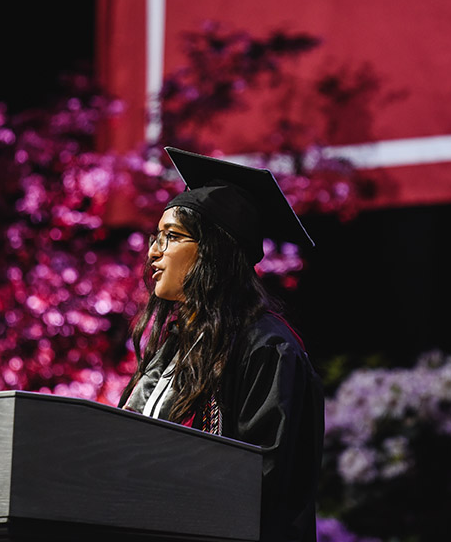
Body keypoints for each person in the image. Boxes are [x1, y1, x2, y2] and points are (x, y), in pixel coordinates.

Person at [119, 147, 324, 542]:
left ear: (214, 252)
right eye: (155, 237)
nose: (153, 252)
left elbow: (260, 477)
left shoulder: (266, 349)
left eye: (172, 237)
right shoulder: (174, 348)